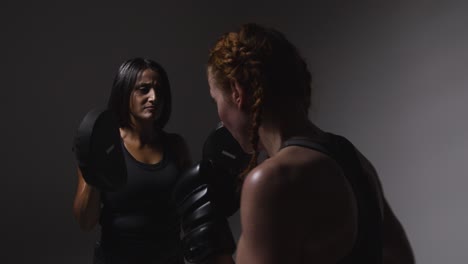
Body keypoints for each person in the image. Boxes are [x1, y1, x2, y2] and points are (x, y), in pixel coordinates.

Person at [206, 23, 415, 264]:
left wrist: (210, 249)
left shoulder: (272, 180)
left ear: (236, 92)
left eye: (215, 101)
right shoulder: (352, 158)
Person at [73, 58, 191, 264]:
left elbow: (192, 208)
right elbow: (86, 221)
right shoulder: (104, 146)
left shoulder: (175, 146)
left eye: (159, 91)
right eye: (143, 89)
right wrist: (95, 164)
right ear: (125, 93)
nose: (153, 97)